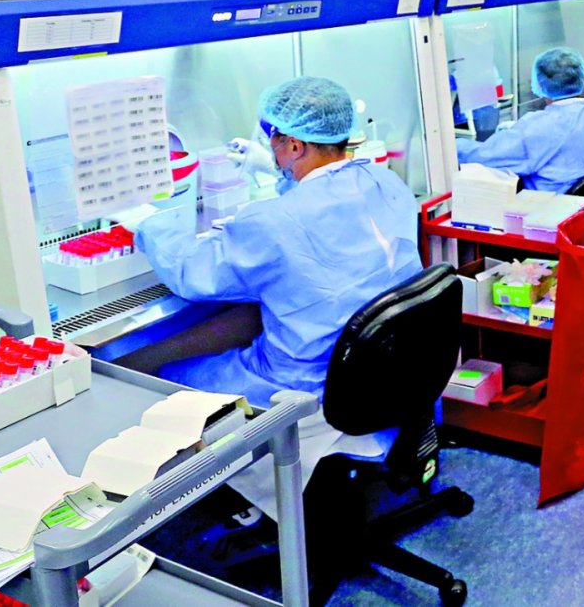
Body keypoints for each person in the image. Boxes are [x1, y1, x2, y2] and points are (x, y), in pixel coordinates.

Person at [114, 76, 422, 515]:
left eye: (272, 137)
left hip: (302, 388)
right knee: (241, 323)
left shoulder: (273, 223)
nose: (270, 145)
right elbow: (324, 205)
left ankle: (203, 506)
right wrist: (276, 171)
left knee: (167, 376)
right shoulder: (384, 182)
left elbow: (192, 274)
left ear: (294, 145)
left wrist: (147, 222)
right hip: (382, 374)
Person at [456, 46, 584, 193]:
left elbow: (485, 156)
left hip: (554, 209)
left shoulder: (538, 127)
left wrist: (453, 144)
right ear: (583, 77)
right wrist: (518, 131)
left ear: (539, 84)